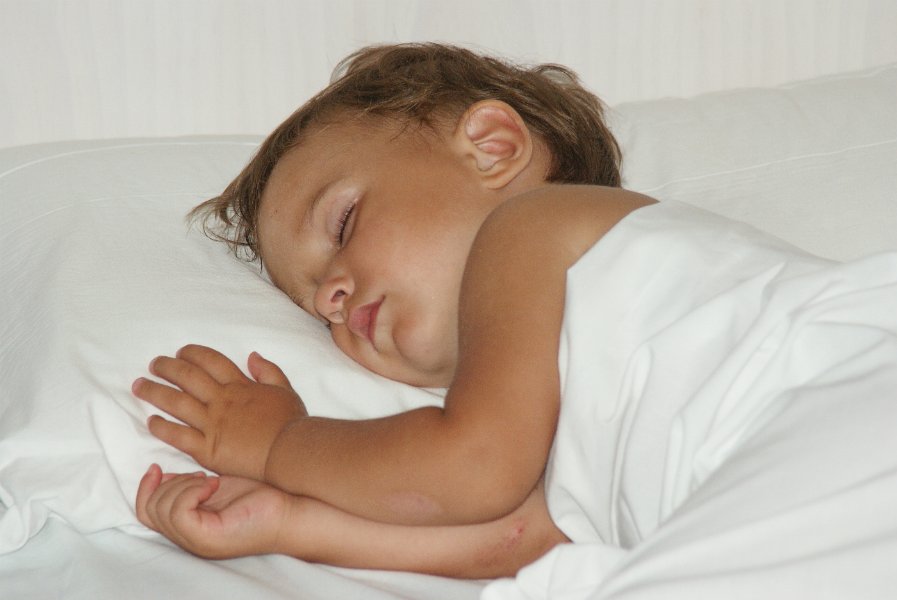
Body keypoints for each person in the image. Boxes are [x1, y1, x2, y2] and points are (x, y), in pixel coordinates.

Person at [132, 42, 633, 577]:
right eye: (317, 309)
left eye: (343, 225)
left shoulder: (540, 224)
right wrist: (290, 524)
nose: (329, 300)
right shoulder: (550, 416)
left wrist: (278, 445)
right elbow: (529, 539)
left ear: (493, 148)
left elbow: (473, 468)